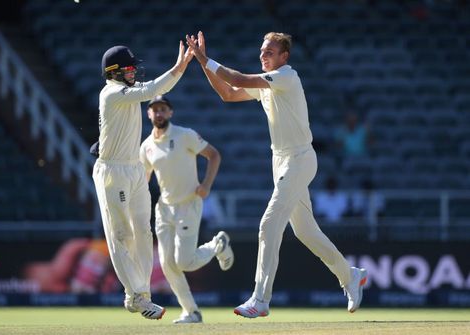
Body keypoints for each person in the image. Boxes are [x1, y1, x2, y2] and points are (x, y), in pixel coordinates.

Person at [186, 31, 367, 318]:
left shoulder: (286, 77)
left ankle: (260, 299)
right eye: (262, 51)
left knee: (269, 224)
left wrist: (204, 58)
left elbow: (238, 80)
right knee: (306, 232)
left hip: (300, 158)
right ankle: (350, 276)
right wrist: (201, 63)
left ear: (284, 56)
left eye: (269, 52)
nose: (263, 55)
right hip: (281, 162)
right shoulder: (267, 83)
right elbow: (228, 93)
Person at [92, 42, 192, 320]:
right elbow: (151, 91)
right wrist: (179, 67)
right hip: (113, 173)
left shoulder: (124, 92)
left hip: (134, 168)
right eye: (128, 68)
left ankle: (140, 295)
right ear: (113, 72)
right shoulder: (112, 93)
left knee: (143, 233)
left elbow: (130, 112)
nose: (134, 71)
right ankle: (135, 295)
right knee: (121, 235)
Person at [140, 95, 234, 324]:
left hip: (188, 204)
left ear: (170, 113)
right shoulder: (147, 146)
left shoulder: (185, 135)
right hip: (164, 209)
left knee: (184, 262)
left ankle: (217, 245)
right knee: (167, 264)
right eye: (155, 110)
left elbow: (214, 155)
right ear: (149, 114)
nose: (159, 113)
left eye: (163, 109)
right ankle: (191, 311)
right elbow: (143, 180)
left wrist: (207, 185)